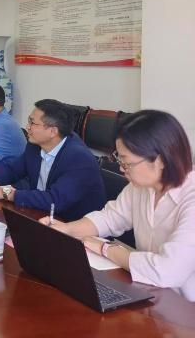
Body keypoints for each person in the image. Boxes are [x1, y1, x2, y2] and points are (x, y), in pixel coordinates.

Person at [40, 110, 195, 301]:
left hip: (184, 308)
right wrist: (66, 229)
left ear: (160, 160)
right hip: (150, 293)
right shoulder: (141, 187)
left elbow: (167, 271)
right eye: (119, 159)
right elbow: (110, 218)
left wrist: (107, 250)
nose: (121, 169)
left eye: (127, 163)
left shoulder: (190, 198)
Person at [0, 99, 105, 221]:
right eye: (29, 121)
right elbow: (13, 170)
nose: (27, 127)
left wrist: (5, 193)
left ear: (52, 131)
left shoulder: (79, 159)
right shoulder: (35, 145)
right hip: (39, 215)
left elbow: (54, 201)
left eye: (32, 123)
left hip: (72, 226)